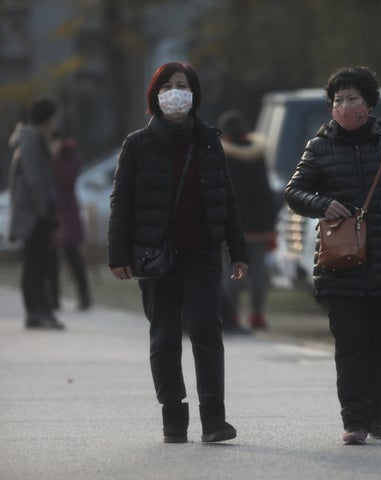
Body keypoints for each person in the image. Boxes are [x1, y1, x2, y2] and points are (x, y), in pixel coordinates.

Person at [284, 66, 381, 445]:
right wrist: (323, 203)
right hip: (339, 262)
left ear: (369, 103)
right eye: (338, 100)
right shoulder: (319, 146)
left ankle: (377, 413)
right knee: (350, 346)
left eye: (352, 99)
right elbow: (293, 191)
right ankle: (355, 421)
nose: (344, 106)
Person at [107, 61, 249, 444]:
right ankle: (173, 415)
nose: (175, 92)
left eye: (182, 85)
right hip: (156, 256)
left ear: (194, 94)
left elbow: (227, 199)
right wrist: (118, 253)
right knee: (165, 335)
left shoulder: (208, 139)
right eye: (168, 85)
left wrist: (238, 250)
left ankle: (214, 419)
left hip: (202, 252)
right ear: (156, 95)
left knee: (206, 329)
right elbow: (121, 202)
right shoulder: (137, 144)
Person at [216, 110, 277, 333]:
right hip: (260, 224)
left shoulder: (222, 155)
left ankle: (230, 315)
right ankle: (258, 315)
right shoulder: (259, 154)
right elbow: (267, 190)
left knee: (231, 271)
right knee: (258, 271)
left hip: (232, 226)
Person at [8, 97, 65, 330]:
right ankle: (38, 312)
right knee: (36, 265)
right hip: (35, 215)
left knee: (37, 263)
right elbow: (34, 178)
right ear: (48, 119)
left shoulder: (33, 139)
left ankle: (38, 312)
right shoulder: (31, 141)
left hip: (36, 213)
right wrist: (43, 210)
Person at [48, 131, 92, 311]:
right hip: (53, 210)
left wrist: (56, 157)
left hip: (68, 210)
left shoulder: (69, 157)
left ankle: (84, 296)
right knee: (51, 258)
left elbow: (67, 177)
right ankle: (54, 299)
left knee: (73, 255)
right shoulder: (50, 157)